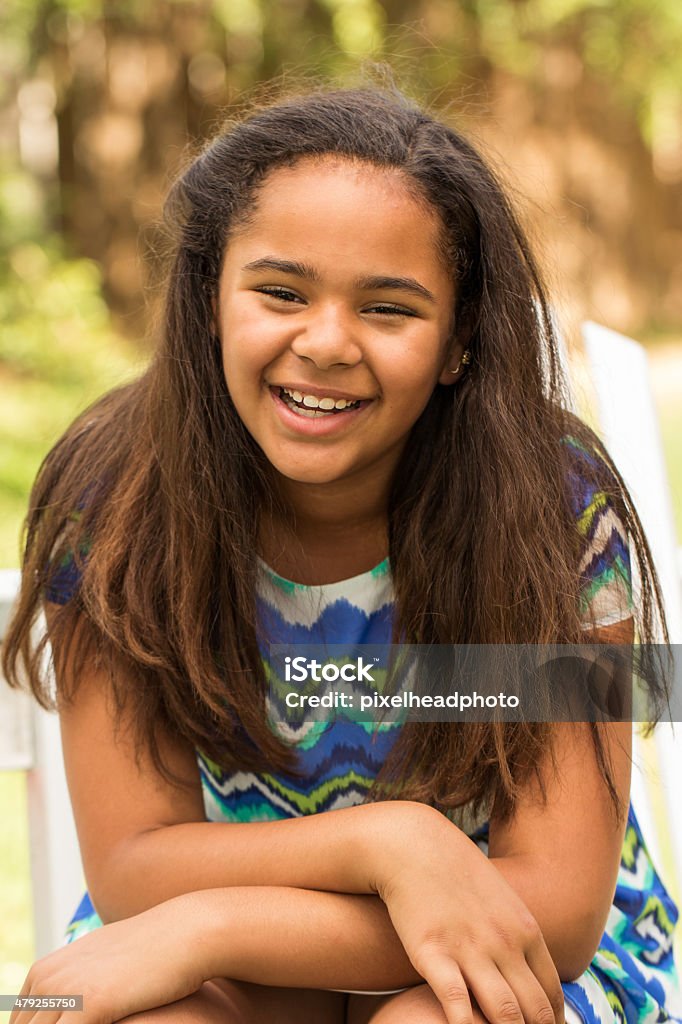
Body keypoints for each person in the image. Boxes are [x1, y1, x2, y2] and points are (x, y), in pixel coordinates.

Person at [3, 83, 680, 1024]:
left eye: (390, 309)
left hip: (515, 938)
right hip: (199, 923)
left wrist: (214, 929)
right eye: (281, 292)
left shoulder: (556, 512)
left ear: (458, 342)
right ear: (208, 296)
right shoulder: (118, 505)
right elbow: (130, 868)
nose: (324, 343)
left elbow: (558, 913)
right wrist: (387, 844)